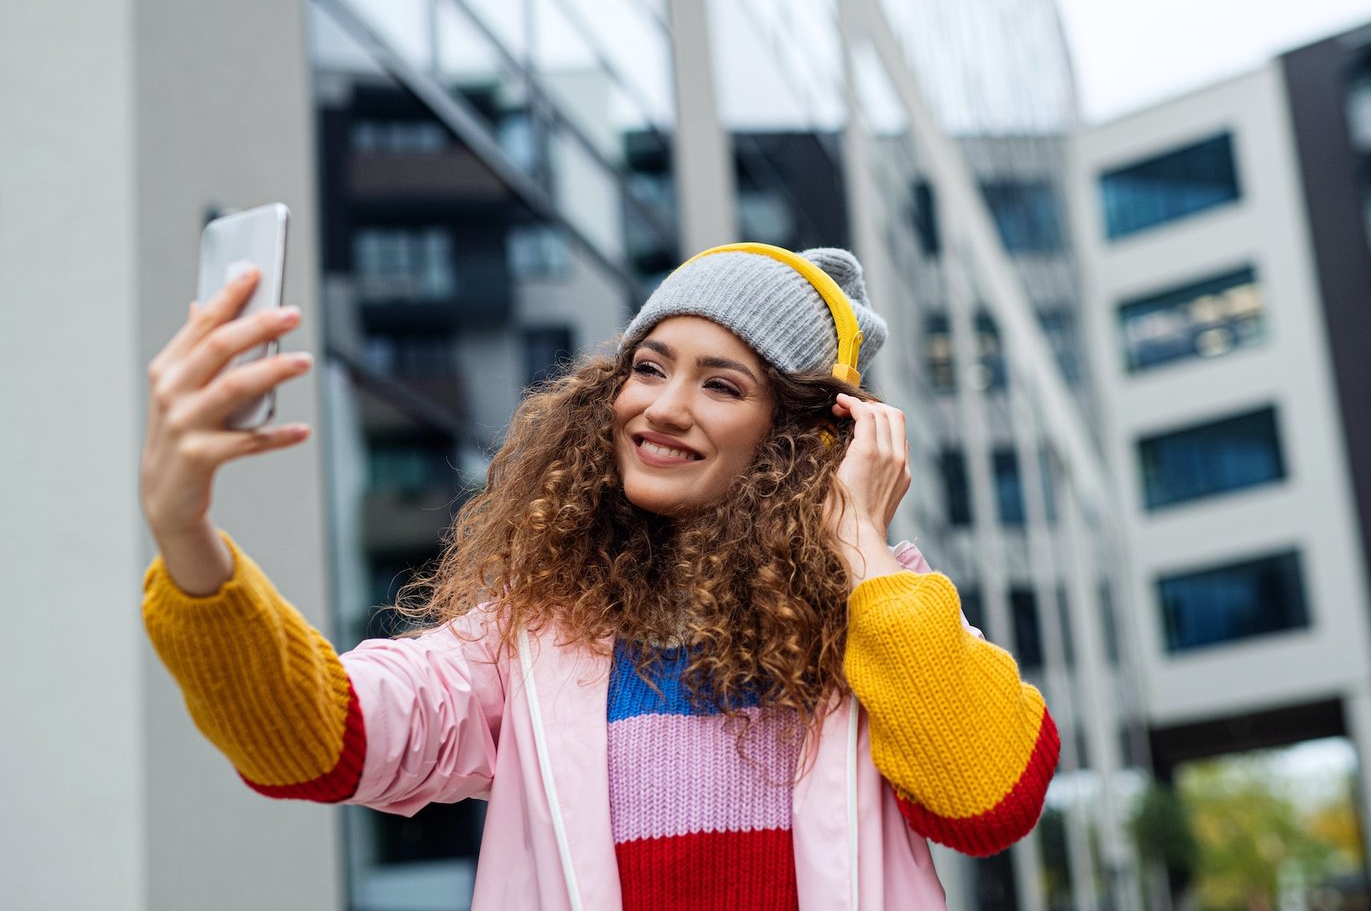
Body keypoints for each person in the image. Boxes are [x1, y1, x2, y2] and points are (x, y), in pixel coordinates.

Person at [140, 242, 1059, 910]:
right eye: (648, 367)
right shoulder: (529, 640)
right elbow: (317, 736)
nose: (661, 408)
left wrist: (861, 544)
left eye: (721, 385)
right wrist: (186, 536)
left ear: (802, 438)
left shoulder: (888, 618)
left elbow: (989, 803)